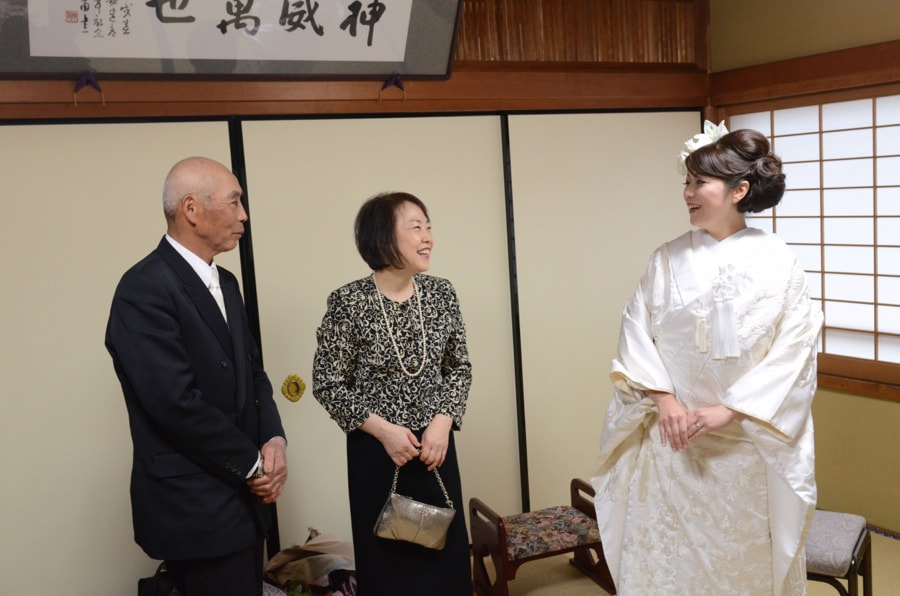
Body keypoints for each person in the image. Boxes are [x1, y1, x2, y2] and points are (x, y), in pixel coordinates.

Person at [590, 124, 823, 595]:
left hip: (745, 446)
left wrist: (731, 409)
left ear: (739, 190)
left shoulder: (780, 261)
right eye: (687, 182)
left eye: (700, 184)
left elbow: (795, 349)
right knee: (669, 563)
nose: (688, 193)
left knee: (744, 563)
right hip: (674, 440)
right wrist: (665, 401)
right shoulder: (666, 259)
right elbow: (635, 331)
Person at [105, 156, 288, 596]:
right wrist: (251, 464)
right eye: (234, 201)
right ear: (191, 208)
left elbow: (253, 373)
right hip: (194, 504)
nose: (244, 214)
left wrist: (275, 440)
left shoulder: (226, 283)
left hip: (245, 499)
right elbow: (173, 402)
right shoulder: (143, 287)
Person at [312, 191, 472, 595]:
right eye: (415, 227)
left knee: (446, 561)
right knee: (389, 570)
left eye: (429, 226)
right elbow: (328, 383)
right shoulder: (349, 302)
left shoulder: (441, 294)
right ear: (384, 237)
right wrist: (385, 432)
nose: (428, 237)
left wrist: (441, 424)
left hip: (435, 449)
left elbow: (459, 368)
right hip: (378, 455)